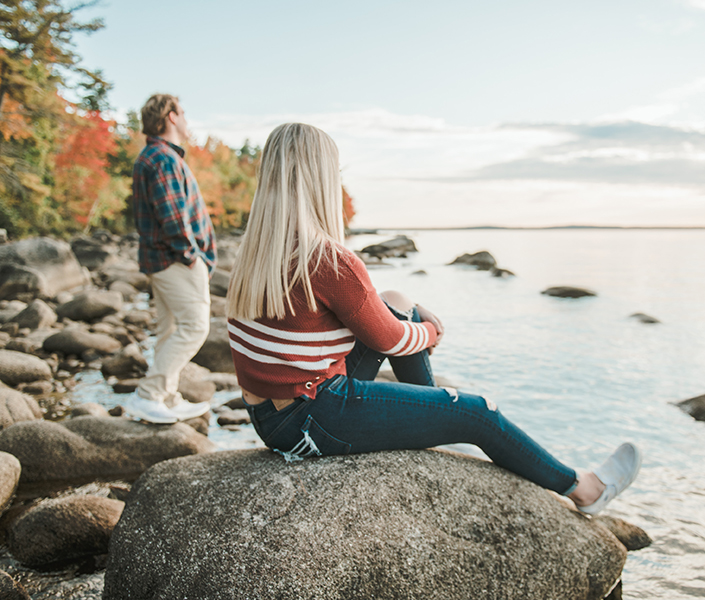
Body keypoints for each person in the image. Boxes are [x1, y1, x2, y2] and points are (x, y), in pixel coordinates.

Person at [226, 123, 640, 515]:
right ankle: (585, 489)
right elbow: (390, 340)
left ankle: (434, 423)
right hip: (313, 420)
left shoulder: (256, 255)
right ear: (322, 180)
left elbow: (376, 314)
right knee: (480, 412)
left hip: (274, 417)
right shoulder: (327, 259)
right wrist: (431, 330)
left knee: (397, 300)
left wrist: (411, 313)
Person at [127, 94, 216, 424]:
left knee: (170, 330)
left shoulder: (154, 156)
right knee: (195, 327)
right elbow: (173, 217)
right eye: (184, 113)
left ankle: (166, 396)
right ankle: (148, 395)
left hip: (162, 260)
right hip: (174, 260)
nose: (187, 120)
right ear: (171, 116)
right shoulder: (162, 158)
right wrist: (192, 256)